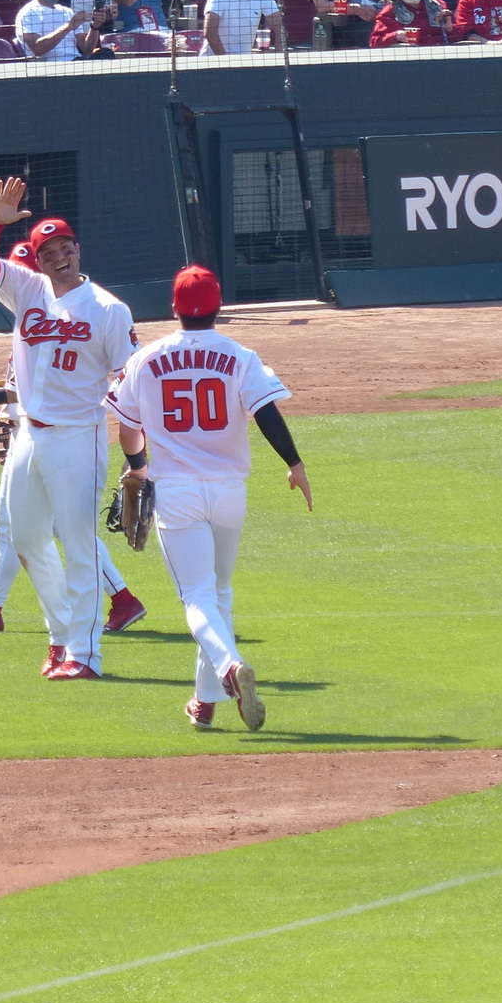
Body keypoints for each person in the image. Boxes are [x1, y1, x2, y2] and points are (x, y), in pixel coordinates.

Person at [107, 264, 308, 731]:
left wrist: (138, 467)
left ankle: (230, 667)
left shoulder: (145, 359)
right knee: (218, 594)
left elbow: (128, 430)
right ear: (219, 306)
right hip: (229, 494)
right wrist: (294, 465)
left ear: (174, 308)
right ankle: (206, 702)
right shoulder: (240, 355)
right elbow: (266, 413)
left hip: (177, 494)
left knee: (197, 597)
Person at [0, 176, 137, 680]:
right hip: (29, 434)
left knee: (78, 544)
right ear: (36, 261)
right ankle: (61, 638)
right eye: (49, 252)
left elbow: (128, 381)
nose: (59, 258)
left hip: (78, 436)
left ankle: (86, 656)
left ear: (78, 250)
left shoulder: (107, 309)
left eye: (66, 248)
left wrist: (137, 457)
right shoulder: (26, 288)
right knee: (27, 538)